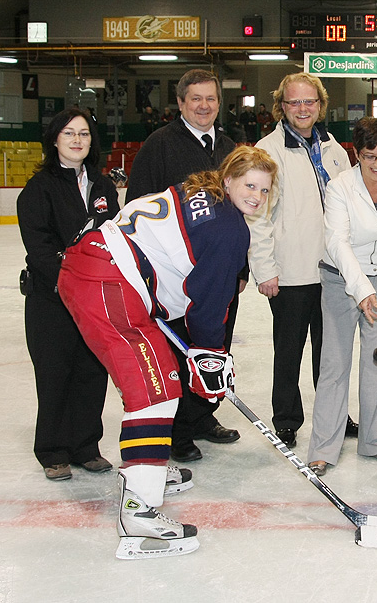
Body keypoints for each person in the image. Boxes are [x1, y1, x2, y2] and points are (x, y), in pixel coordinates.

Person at [58, 146, 277, 559]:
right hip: (109, 282)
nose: (256, 197)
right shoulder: (230, 228)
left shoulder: (197, 189)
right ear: (228, 179)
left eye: (265, 191)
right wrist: (210, 355)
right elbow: (210, 304)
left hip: (96, 270)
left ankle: (150, 462)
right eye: (249, 185)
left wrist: (202, 354)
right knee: (156, 389)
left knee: (158, 377)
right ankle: (139, 516)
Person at [126, 69, 242, 462]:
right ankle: (177, 430)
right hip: (174, 280)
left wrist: (239, 271)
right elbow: (138, 208)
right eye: (196, 98)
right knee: (177, 351)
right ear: (180, 103)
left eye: (210, 98)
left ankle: (203, 416)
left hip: (220, 273)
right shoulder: (159, 146)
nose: (204, 105)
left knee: (214, 344)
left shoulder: (229, 147)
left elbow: (244, 212)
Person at [306, 118, 377, 476]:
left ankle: (372, 440)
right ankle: (324, 448)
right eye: (370, 156)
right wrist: (361, 289)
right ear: (356, 153)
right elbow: (337, 242)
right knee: (334, 365)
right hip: (341, 282)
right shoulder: (339, 187)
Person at [249, 73, 352, 448]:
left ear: (321, 105)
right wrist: (265, 269)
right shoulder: (267, 151)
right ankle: (287, 418)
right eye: (294, 102)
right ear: (282, 106)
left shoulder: (335, 150)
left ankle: (335, 414)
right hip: (291, 271)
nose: (303, 109)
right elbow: (257, 217)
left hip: (333, 272)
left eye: (310, 102)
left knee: (332, 352)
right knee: (289, 350)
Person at [17, 107, 120, 481]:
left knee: (92, 372)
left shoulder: (104, 186)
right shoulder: (39, 188)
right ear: (54, 140)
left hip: (95, 300)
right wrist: (70, 277)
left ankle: (85, 446)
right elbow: (39, 247)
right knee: (55, 373)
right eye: (69, 133)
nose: (77, 140)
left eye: (84, 134)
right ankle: (52, 450)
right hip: (52, 301)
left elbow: (115, 238)